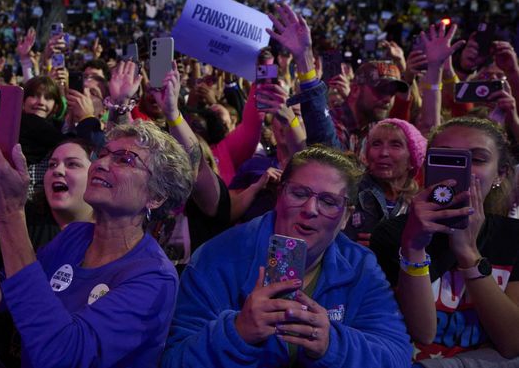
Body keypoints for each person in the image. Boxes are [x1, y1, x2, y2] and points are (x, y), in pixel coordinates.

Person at [0, 121, 193, 367]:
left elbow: (61, 357)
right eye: (102, 154)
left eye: (125, 159)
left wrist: (9, 213)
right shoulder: (74, 236)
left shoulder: (154, 278)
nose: (101, 164)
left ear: (156, 197)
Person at [162, 146, 412, 368]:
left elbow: (397, 357)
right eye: (300, 193)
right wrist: (237, 334)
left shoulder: (360, 265)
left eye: (328, 201)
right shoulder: (218, 257)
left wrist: (332, 344)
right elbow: (175, 360)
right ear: (279, 196)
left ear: (346, 216)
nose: (310, 209)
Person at [370, 117, 519, 366]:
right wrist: (414, 246)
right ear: (427, 167)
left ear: (500, 174)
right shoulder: (392, 234)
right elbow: (422, 333)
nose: (461, 170)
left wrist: (468, 252)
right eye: (445, 158)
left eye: (478, 159)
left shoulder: (512, 236)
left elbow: (512, 342)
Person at [344, 118, 427, 245]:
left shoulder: (419, 206)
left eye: (395, 145)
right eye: (376, 144)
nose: (383, 153)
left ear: (413, 159)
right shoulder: (349, 192)